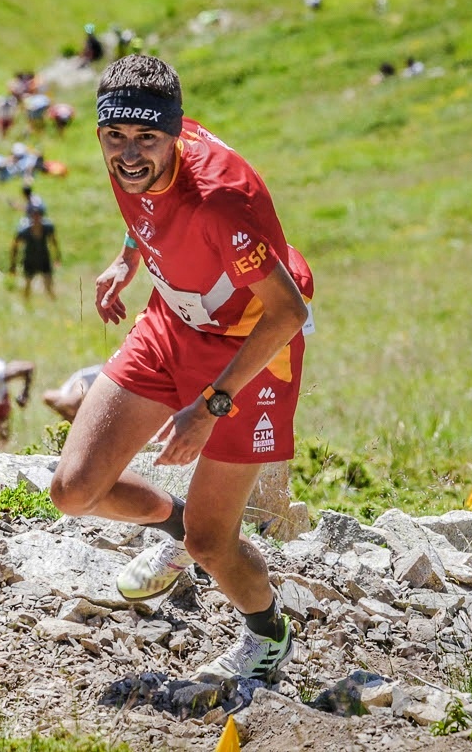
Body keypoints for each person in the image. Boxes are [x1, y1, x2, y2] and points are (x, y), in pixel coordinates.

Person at [49, 54, 315, 684]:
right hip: (172, 320)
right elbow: (146, 209)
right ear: (101, 133)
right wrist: (126, 259)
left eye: (147, 139)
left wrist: (212, 404)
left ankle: (268, 634)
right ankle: (172, 521)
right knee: (74, 491)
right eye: (115, 137)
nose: (130, 154)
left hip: (252, 350)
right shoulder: (132, 154)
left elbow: (287, 310)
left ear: (174, 134)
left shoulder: (223, 201)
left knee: (210, 543)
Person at [9, 205, 61, 300]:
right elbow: (14, 247)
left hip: (44, 258)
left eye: (38, 216)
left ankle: (54, 304)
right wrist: (13, 264)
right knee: (27, 285)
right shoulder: (24, 231)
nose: (36, 218)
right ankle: (26, 305)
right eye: (34, 216)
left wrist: (57, 256)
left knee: (48, 285)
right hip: (30, 260)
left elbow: (54, 242)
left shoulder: (47, 228)